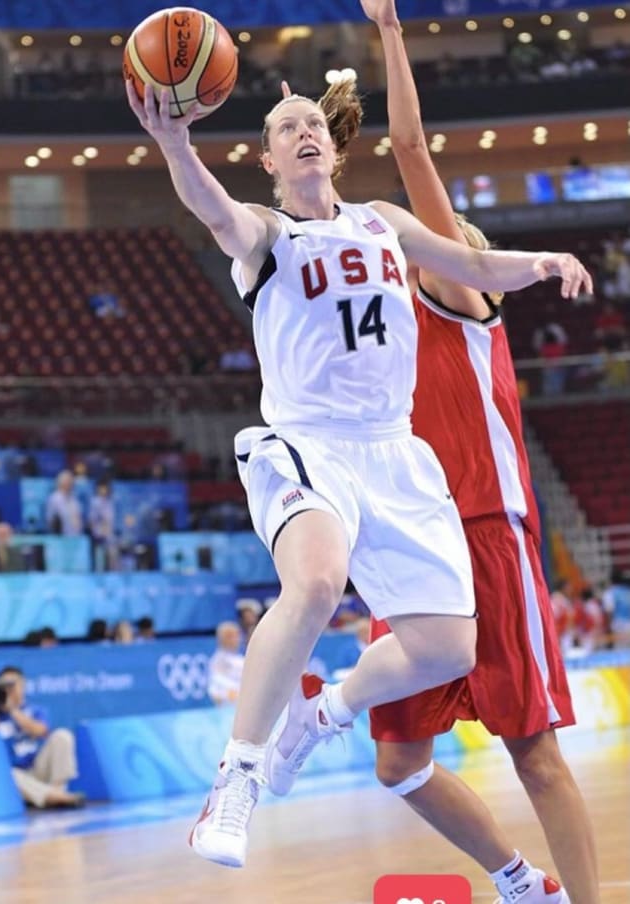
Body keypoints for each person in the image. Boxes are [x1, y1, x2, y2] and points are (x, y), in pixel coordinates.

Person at [125, 69, 590, 870]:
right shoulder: (266, 235)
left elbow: (472, 268)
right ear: (268, 160)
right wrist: (174, 141)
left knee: (448, 646)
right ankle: (235, 779)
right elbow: (212, 208)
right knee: (314, 581)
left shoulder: (382, 223)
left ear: (332, 151)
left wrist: (543, 261)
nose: (303, 130)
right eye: (284, 127)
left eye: (311, 121)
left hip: (395, 453)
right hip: (308, 442)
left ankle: (322, 714)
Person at [268, 4, 599, 903]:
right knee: (399, 762)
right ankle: (524, 883)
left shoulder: (462, 296)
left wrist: (390, 34)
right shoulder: (386, 320)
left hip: (490, 532)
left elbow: (412, 157)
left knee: (535, 751)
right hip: (410, 534)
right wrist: (316, 131)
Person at [0, 666, 84, 809]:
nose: (9, 690)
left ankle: (58, 791)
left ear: (22, 686)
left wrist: (12, 710)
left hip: (37, 768)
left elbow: (40, 731)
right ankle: (52, 797)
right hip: (16, 776)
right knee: (4, 772)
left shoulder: (35, 710)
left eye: (12, 685)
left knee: (62, 735)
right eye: (4, 685)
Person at [208, 621, 245, 706]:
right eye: (234, 636)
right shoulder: (219, 661)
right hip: (230, 708)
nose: (239, 639)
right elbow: (215, 690)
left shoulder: (240, 659)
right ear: (225, 639)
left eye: (238, 635)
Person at [46, 469, 84, 536]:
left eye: (71, 481)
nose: (70, 483)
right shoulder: (54, 499)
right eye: (67, 481)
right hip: (60, 538)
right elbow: (50, 520)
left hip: (76, 537)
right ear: (60, 483)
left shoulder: (74, 498)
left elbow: (79, 517)